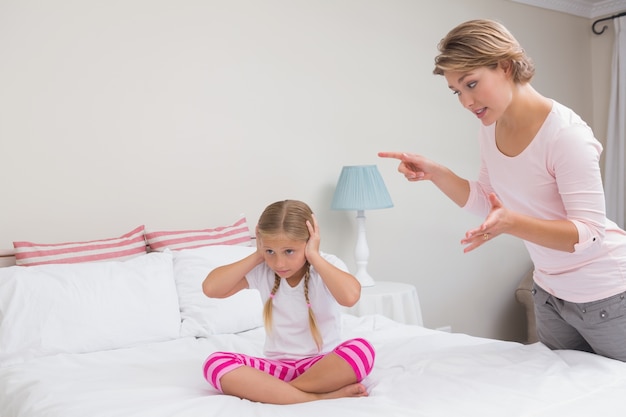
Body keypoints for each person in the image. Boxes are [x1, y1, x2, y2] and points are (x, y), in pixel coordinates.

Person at [379, 19, 626, 361]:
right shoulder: (491, 127)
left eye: (471, 84)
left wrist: (512, 223)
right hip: (550, 295)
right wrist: (438, 174)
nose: (466, 101)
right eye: (457, 91)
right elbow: (488, 201)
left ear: (505, 66)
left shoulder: (565, 135)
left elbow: (589, 234)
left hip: (608, 296)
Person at [201, 199, 375, 404]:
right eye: (270, 252)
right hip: (277, 368)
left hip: (322, 367)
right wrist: (258, 255)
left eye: (289, 251)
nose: (279, 263)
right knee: (214, 363)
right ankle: (319, 396)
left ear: (310, 241)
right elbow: (211, 289)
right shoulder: (263, 269)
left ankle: (275, 393)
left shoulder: (326, 266)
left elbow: (350, 297)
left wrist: (314, 256)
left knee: (362, 350)